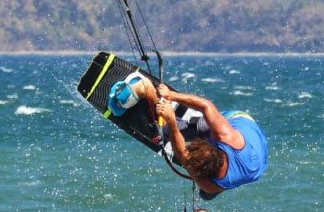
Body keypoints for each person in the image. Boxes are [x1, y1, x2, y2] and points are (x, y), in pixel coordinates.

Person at [107, 73, 268, 200]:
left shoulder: (209, 185)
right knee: (189, 128)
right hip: (240, 122)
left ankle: (172, 116)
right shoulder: (225, 135)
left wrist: (171, 121)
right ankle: (146, 89)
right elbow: (206, 106)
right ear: (214, 146)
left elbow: (183, 155)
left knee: (206, 195)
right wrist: (171, 98)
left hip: (258, 156)